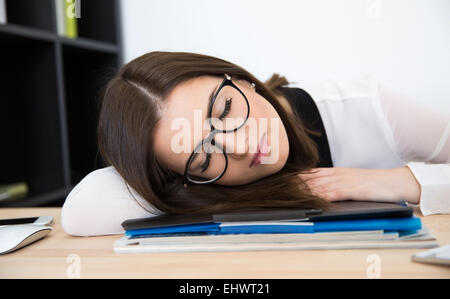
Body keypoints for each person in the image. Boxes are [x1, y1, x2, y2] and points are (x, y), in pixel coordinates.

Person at [61, 51, 450, 236]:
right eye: (202, 157)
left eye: (225, 108)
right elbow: (80, 212)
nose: (242, 146)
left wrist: (402, 183)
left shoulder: (366, 106)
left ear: (238, 78)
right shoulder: (201, 188)